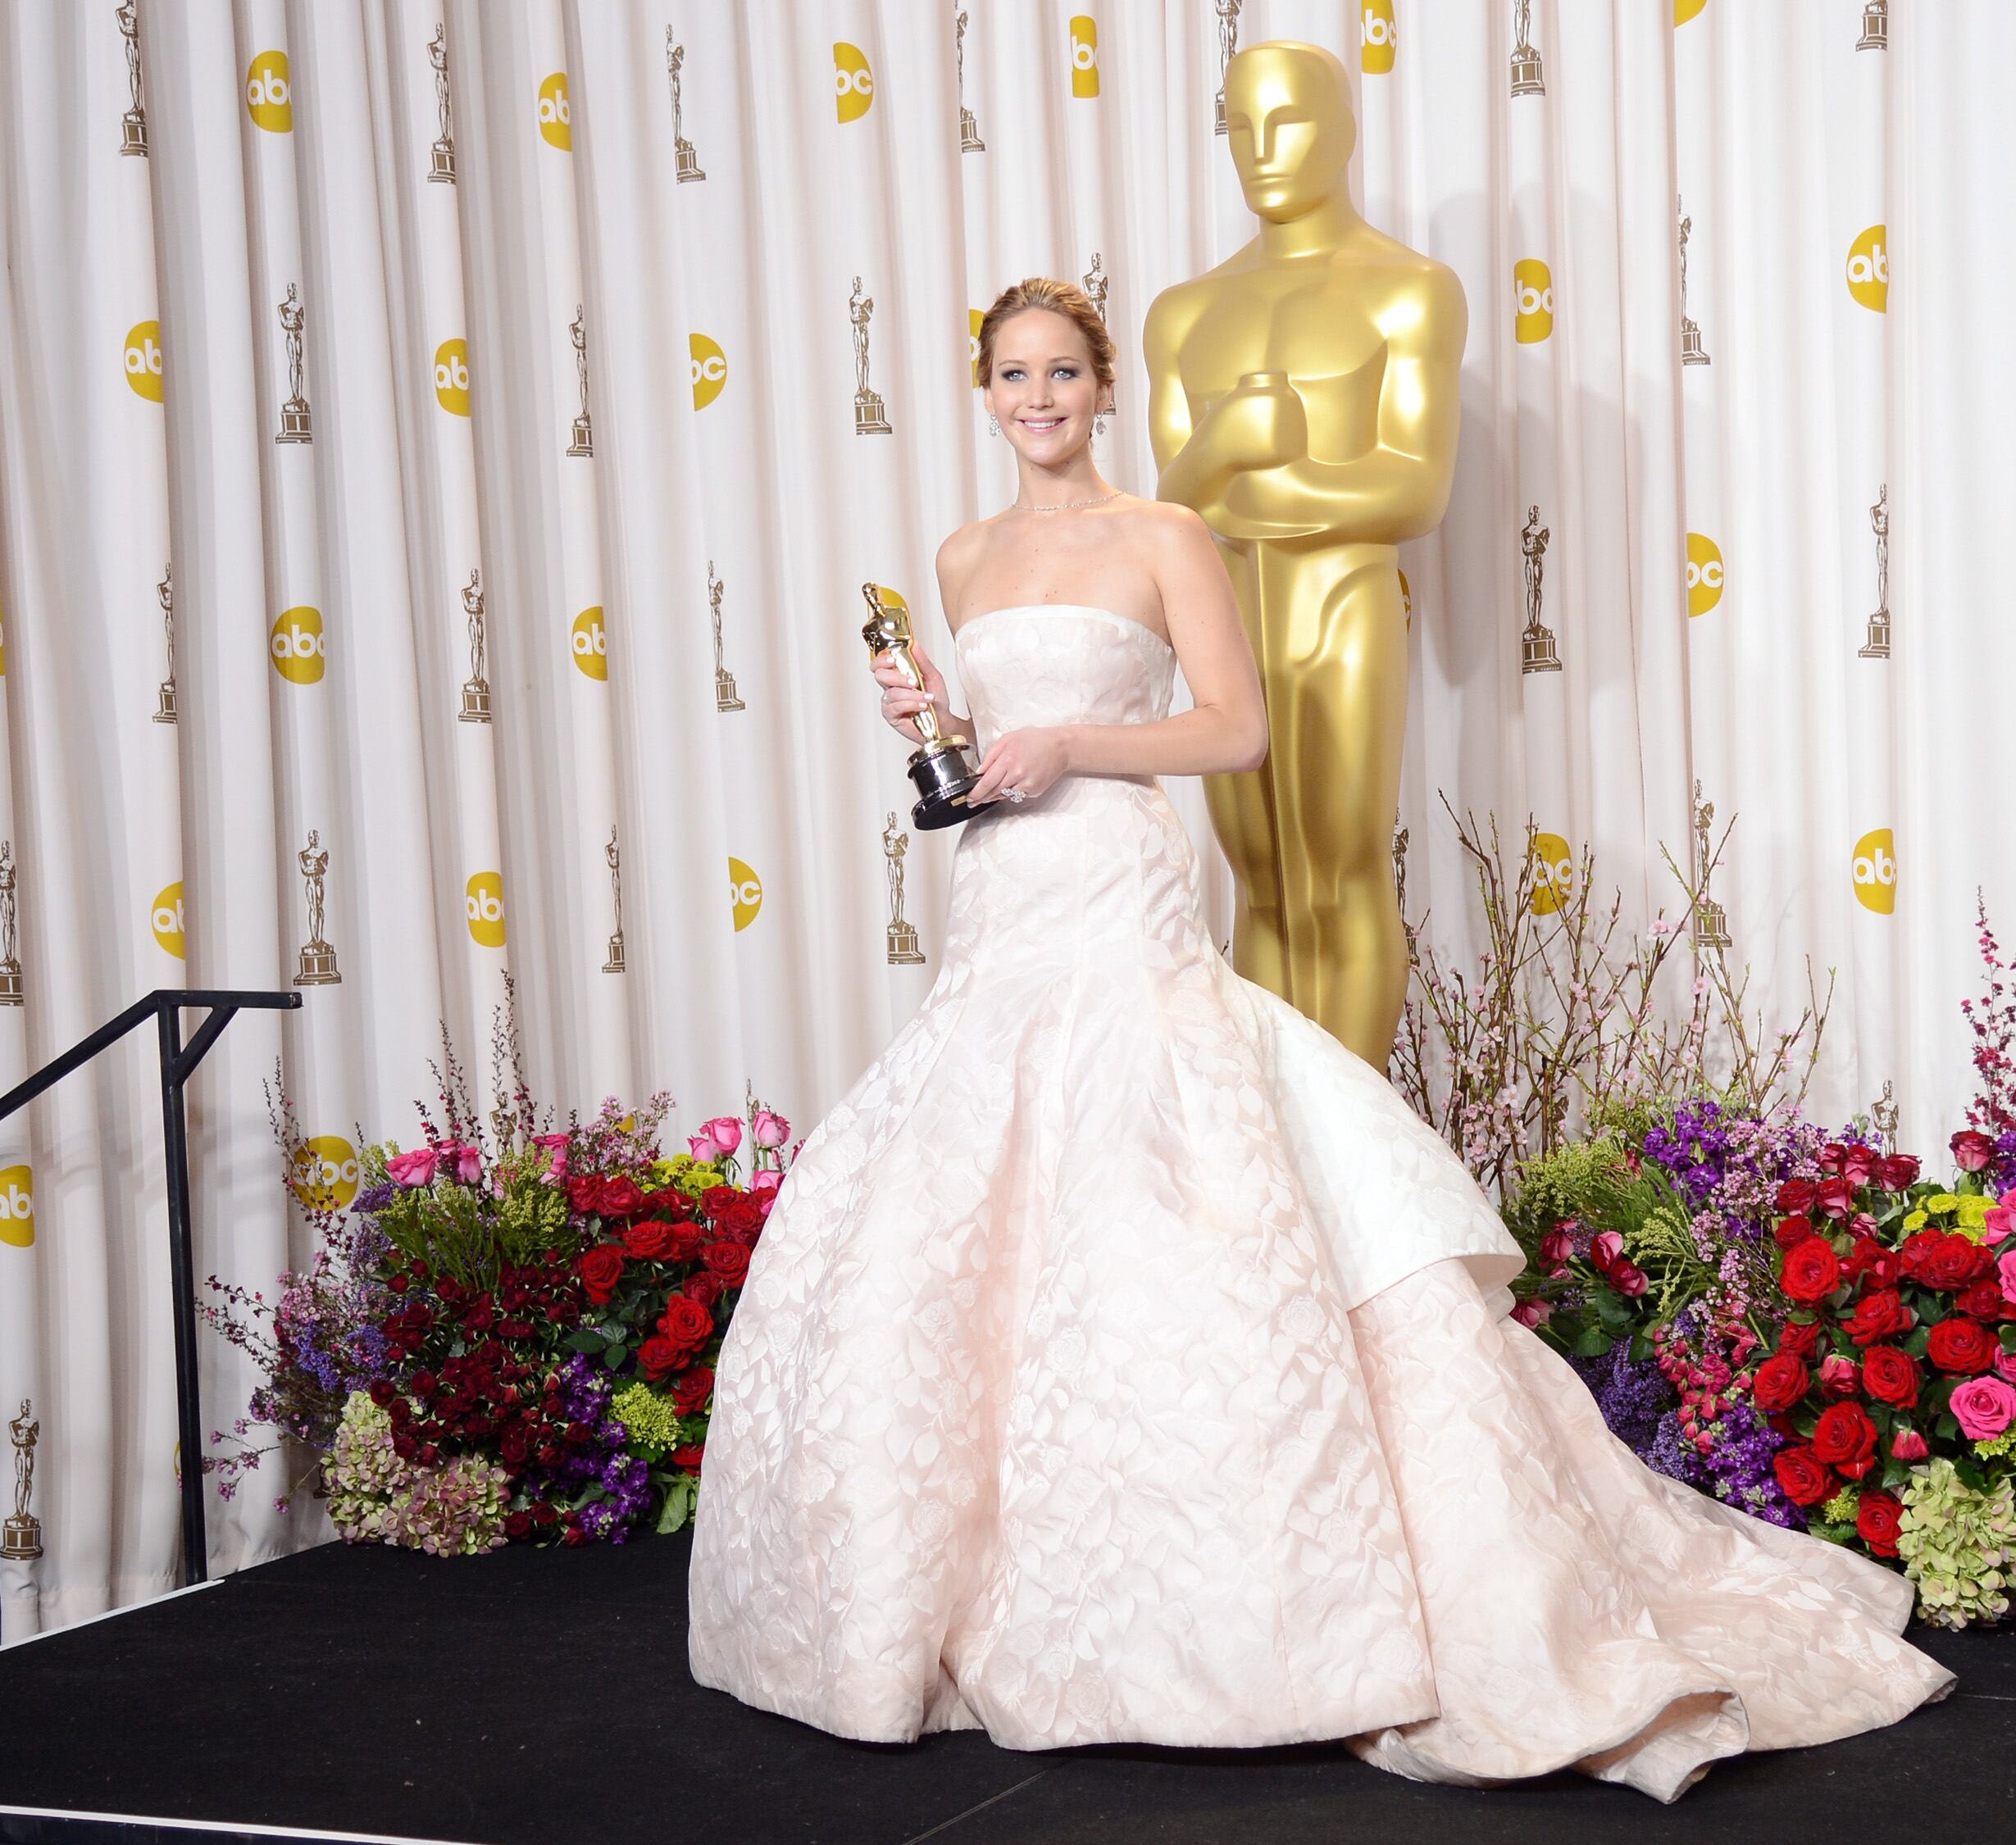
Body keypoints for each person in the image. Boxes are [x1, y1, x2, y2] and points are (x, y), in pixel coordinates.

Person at [687, 277, 1952, 1801]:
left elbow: (1234, 730)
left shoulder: (1165, 536)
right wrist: (937, 726)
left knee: (1155, 1175)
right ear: (987, 392)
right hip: (1000, 897)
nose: (1039, 399)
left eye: (1065, 374)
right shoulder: (960, 557)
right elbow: (991, 740)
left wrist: (1071, 742)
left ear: (1104, 389)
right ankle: (991, 1591)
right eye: (1014, 376)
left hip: (1118, 883)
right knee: (986, 1200)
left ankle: (1239, 1613)